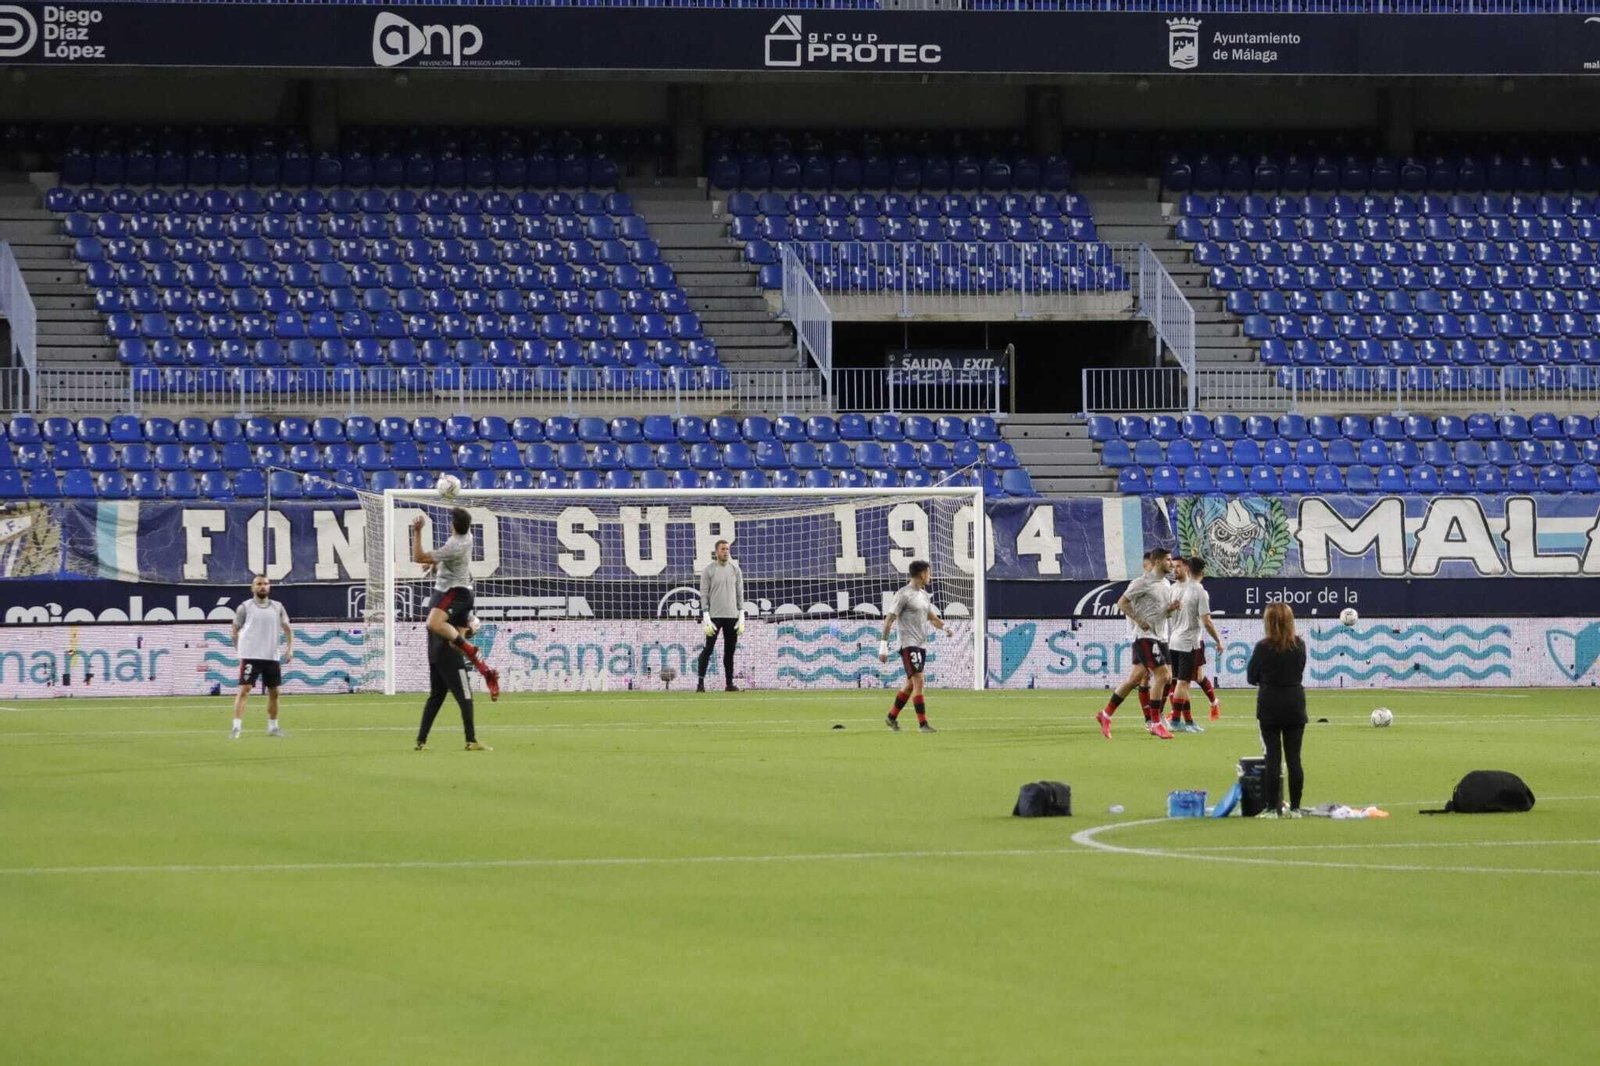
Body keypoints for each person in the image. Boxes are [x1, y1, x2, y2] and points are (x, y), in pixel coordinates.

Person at [412, 509, 496, 751]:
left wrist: (434, 563)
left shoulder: (441, 599)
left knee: (437, 695)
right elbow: (455, 639)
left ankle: (421, 740)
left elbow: (444, 561)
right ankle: (471, 740)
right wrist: (471, 630)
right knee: (465, 695)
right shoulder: (459, 596)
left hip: (433, 650)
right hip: (448, 652)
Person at [1096, 549, 1175, 740]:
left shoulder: (1166, 584)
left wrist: (1171, 610)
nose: (1172, 563)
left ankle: (1105, 714)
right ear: (1157, 562)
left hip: (1160, 636)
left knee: (1135, 679)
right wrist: (1139, 620)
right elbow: (1122, 603)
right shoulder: (1142, 582)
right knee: (1163, 676)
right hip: (1145, 636)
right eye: (1168, 560)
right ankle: (1155, 723)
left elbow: (1161, 612)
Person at [1246, 602, 1308, 818]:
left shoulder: (1263, 647)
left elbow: (1251, 676)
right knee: (1294, 759)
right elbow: (1300, 669)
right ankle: (1296, 808)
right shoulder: (1299, 645)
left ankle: (1273, 808)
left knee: (1272, 758)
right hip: (1294, 703)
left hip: (1270, 703)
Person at [879, 559, 945, 733]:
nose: (930, 576)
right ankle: (923, 724)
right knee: (919, 680)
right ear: (922, 574)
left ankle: (891, 717)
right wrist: (883, 647)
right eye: (929, 573)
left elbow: (931, 617)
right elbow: (889, 620)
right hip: (908, 644)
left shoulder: (924, 595)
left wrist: (945, 627)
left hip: (921, 645)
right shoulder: (903, 595)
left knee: (910, 684)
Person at [229, 573, 292, 739]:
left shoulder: (278, 607)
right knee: (245, 689)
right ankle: (236, 728)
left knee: (275, 692)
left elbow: (287, 628)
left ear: (269, 587)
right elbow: (234, 630)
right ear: (252, 588)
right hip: (250, 655)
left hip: (271, 656)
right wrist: (239, 651)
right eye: (259, 584)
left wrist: (290, 649)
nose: (262, 586)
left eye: (265, 584)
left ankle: (273, 727)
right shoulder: (245, 607)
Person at [1166, 557, 1223, 733]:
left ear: (1187, 569)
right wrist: (1218, 640)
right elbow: (1206, 621)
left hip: (1173, 640)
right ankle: (1176, 721)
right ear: (1203, 572)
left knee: (1179, 682)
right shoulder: (1199, 591)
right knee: (1183, 683)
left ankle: (1188, 721)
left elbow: (1166, 612)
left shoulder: (1174, 589)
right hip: (1189, 642)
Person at [696, 539, 746, 692]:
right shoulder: (709, 570)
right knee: (708, 649)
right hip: (714, 617)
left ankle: (729, 684)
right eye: (723, 549)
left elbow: (740, 593)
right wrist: (706, 616)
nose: (726, 552)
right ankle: (700, 684)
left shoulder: (735, 570)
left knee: (729, 652)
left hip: (732, 616)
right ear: (716, 552)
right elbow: (704, 594)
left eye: (727, 549)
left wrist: (741, 616)